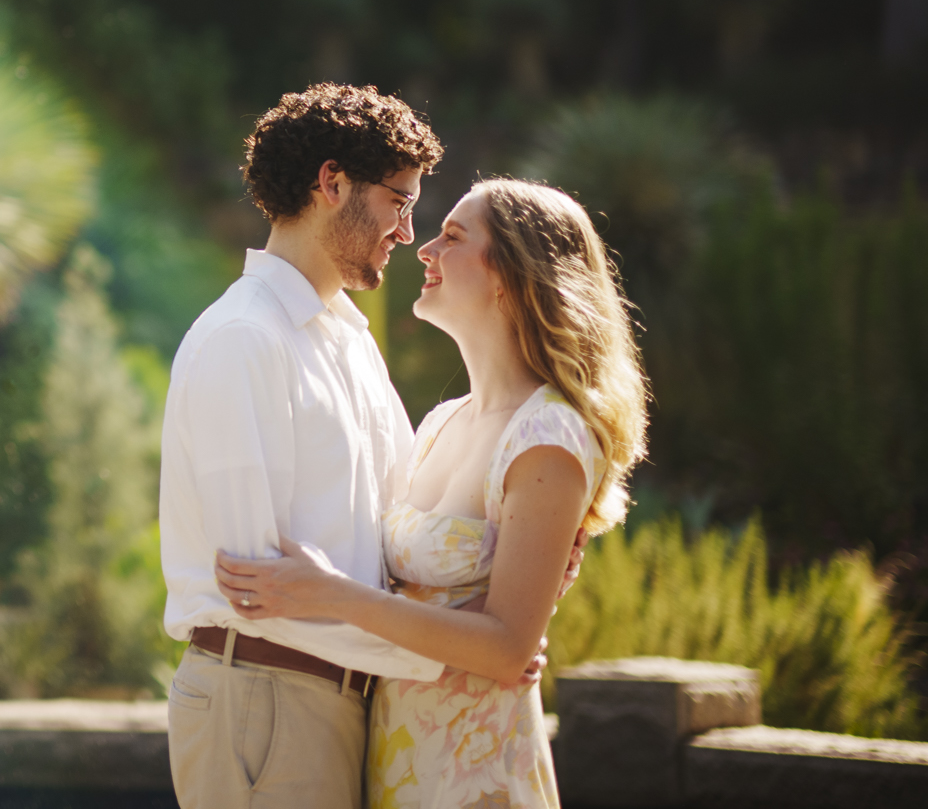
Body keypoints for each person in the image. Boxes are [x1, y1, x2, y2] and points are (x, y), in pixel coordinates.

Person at [216, 178, 648, 809]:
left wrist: (324, 591)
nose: (424, 249)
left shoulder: (550, 436)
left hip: (476, 771)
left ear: (509, 274)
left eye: (452, 236)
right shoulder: (442, 422)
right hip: (397, 759)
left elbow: (505, 649)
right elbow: (416, 603)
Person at [159, 84, 452, 809]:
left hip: (343, 697)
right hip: (263, 695)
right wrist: (449, 653)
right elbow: (259, 590)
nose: (407, 232)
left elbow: (398, 519)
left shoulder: (350, 340)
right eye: (398, 202)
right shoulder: (243, 340)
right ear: (332, 182)